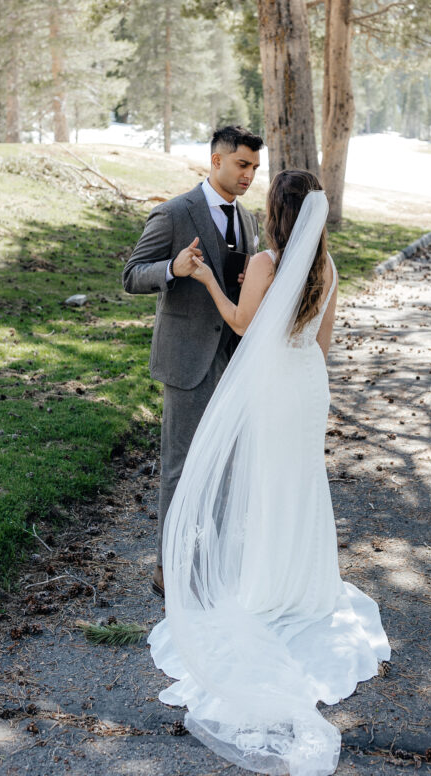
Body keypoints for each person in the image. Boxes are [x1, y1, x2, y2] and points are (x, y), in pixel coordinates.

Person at [147, 169, 392, 776]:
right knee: (301, 485)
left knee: (266, 487)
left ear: (278, 213)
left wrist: (203, 275)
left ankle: (263, 586)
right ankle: (304, 584)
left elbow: (240, 325)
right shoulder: (327, 270)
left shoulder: (265, 262)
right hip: (309, 383)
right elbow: (323, 344)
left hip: (274, 387)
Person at [121, 125, 263, 598]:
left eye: (255, 168)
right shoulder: (175, 212)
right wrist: (172, 269)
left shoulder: (246, 220)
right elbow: (130, 275)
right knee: (180, 468)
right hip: (186, 361)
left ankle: (207, 558)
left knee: (221, 465)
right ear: (216, 161)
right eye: (242, 165)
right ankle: (168, 567)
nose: (248, 176)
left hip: (230, 361)